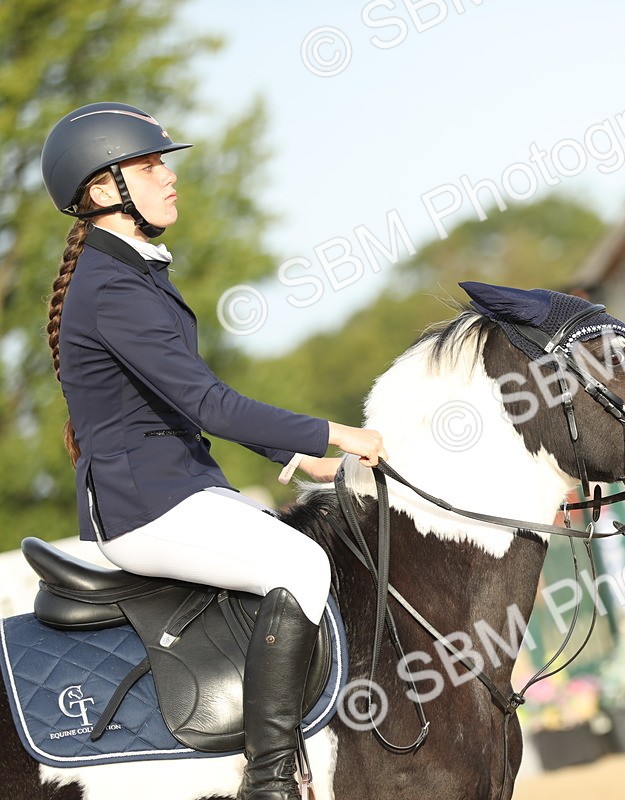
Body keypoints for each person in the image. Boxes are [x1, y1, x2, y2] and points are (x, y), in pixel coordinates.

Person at [41, 102, 386, 800]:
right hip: (148, 504)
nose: (170, 179)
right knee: (301, 561)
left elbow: (187, 398)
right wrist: (332, 433)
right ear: (105, 190)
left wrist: (297, 457)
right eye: (149, 166)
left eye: (163, 164)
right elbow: (208, 404)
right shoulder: (111, 289)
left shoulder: (130, 274)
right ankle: (269, 783)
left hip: (174, 488)